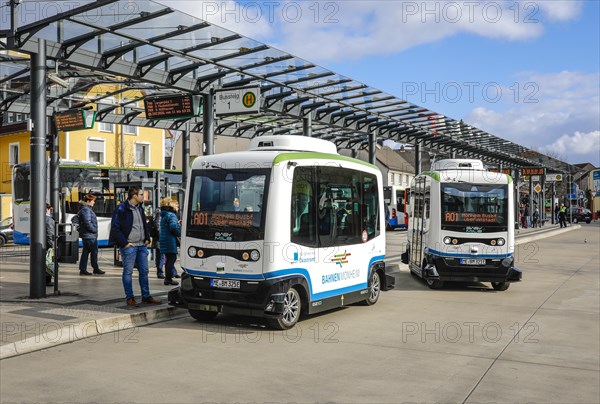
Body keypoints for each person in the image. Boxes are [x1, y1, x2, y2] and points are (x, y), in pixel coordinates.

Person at [109, 186, 161, 307]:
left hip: (141, 245)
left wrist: (147, 238)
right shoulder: (121, 209)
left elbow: (144, 224)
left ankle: (146, 296)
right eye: (142, 194)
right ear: (134, 196)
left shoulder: (140, 208)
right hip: (129, 246)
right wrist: (125, 243)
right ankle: (130, 298)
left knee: (144, 271)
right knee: (128, 272)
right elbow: (115, 228)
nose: (144, 197)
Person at [78, 194, 104, 276]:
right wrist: (94, 230)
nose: (94, 203)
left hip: (88, 235)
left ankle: (83, 269)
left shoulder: (86, 209)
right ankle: (95, 268)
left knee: (86, 252)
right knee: (94, 252)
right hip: (90, 235)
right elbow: (87, 223)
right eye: (93, 201)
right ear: (88, 201)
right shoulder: (86, 210)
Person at [159, 198, 181, 286]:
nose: (178, 208)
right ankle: (168, 278)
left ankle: (168, 278)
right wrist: (180, 233)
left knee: (169, 259)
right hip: (170, 240)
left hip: (164, 239)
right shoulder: (171, 215)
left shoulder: (164, 215)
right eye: (177, 206)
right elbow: (173, 227)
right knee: (172, 258)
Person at [150, 207, 165, 279]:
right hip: (160, 240)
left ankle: (172, 271)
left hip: (158, 239)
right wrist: (162, 236)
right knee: (161, 256)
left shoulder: (157, 214)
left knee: (162, 256)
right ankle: (160, 272)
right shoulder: (159, 213)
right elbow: (158, 227)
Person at [45, 204, 56, 286]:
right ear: (47, 209)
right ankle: (47, 280)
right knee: (49, 262)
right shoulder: (49, 220)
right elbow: (50, 233)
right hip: (47, 245)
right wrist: (52, 244)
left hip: (42, 243)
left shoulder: (37, 218)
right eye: (49, 209)